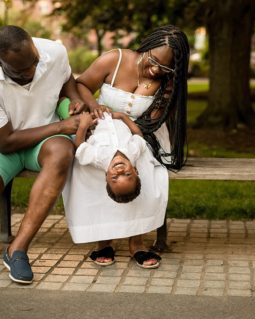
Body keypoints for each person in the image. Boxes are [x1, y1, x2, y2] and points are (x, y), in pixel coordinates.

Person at [64, 25, 189, 268]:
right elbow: (82, 85)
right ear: (146, 46)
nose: (154, 70)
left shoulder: (166, 82)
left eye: (164, 67)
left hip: (142, 133)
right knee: (88, 168)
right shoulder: (116, 58)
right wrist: (94, 107)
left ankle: (137, 241)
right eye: (152, 60)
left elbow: (152, 122)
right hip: (102, 127)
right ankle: (103, 240)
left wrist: (162, 95)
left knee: (141, 167)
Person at [0, 25, 86, 284]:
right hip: (4, 145)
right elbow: (6, 142)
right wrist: (61, 126)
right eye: (21, 70)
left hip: (44, 142)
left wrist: (74, 100)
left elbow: (66, 80)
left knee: (63, 152)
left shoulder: (53, 52)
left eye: (34, 63)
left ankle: (17, 249)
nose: (31, 72)